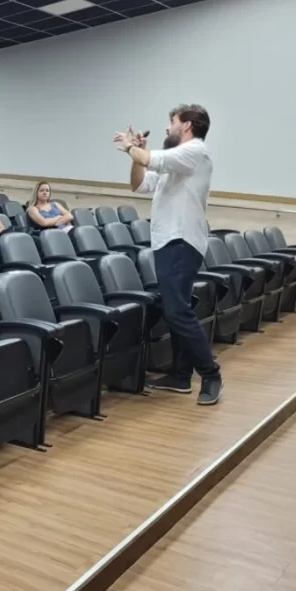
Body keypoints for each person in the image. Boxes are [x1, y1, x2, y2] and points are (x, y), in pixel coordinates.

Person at [115, 104, 222, 405]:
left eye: (172, 121)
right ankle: (180, 374)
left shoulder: (194, 152)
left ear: (186, 125)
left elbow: (149, 158)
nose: (167, 126)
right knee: (178, 308)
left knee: (177, 311)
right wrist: (136, 155)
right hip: (169, 242)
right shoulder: (177, 160)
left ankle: (211, 374)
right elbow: (139, 184)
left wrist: (131, 147)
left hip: (181, 240)